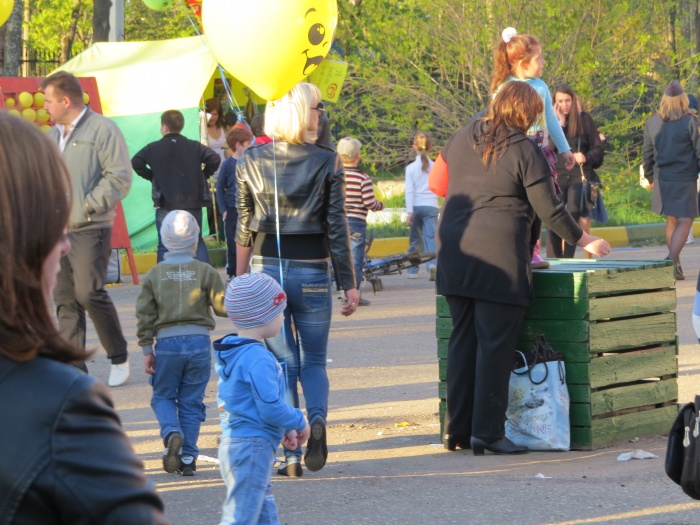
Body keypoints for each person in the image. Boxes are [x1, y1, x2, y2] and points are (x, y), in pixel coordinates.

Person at [0, 112, 170, 524]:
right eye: (51, 220)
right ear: (21, 234)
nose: (61, 244)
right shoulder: (59, 406)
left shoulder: (101, 132)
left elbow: (120, 176)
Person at [428, 81, 610, 456]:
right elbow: (549, 208)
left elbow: (438, 183)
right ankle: (488, 434)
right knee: (495, 346)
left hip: (455, 252)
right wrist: (585, 240)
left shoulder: (463, 135)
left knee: (463, 341)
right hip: (498, 258)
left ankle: (456, 430)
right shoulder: (524, 149)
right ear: (525, 115)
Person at [235, 81, 358, 477]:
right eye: (318, 107)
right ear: (303, 112)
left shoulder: (249, 159)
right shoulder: (329, 160)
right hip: (312, 270)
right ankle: (317, 420)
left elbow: (243, 228)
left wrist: (238, 278)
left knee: (281, 363)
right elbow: (337, 228)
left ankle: (289, 454)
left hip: (265, 267)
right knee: (315, 361)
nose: (321, 114)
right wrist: (349, 282)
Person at [41, 71, 133, 387]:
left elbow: (119, 177)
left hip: (90, 226)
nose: (45, 108)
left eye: (49, 101)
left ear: (66, 100)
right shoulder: (53, 135)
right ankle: (73, 369)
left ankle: (118, 355)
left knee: (88, 292)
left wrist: (86, 206)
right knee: (64, 297)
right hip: (55, 229)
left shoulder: (103, 129)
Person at [214, 273, 311, 524]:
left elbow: (252, 402)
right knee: (241, 518)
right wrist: (298, 419)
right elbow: (269, 407)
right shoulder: (257, 358)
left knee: (263, 512)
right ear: (263, 316)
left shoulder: (237, 351)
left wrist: (285, 427)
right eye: (280, 311)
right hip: (251, 447)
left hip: (241, 444)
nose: (282, 317)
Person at [136, 210, 227, 477]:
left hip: (166, 344)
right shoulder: (206, 271)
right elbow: (222, 307)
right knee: (191, 400)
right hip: (199, 342)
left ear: (163, 240)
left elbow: (145, 315)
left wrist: (145, 348)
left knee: (163, 395)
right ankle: (188, 458)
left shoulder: (154, 275)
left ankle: (170, 432)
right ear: (196, 241)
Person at [491, 27, 576, 269]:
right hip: (512, 154)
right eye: (539, 58)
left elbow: (550, 119)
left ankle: (532, 250)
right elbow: (495, 123)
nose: (543, 62)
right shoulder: (503, 89)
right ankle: (513, 249)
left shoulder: (541, 87)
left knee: (539, 205)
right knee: (518, 204)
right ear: (521, 63)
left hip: (540, 154)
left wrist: (565, 149)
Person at [131, 109, 221, 263]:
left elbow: (136, 162)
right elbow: (215, 158)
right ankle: (205, 281)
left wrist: (153, 176)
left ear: (165, 127)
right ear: (181, 126)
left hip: (165, 203)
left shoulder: (153, 148)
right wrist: (203, 175)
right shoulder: (194, 146)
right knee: (197, 241)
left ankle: (164, 282)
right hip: (193, 201)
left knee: (164, 244)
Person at [643, 80, 700, 280]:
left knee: (671, 219)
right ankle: (670, 260)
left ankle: (675, 264)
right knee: (685, 220)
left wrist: (650, 177)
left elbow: (647, 155)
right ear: (683, 99)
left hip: (662, 178)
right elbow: (699, 152)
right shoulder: (691, 121)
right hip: (685, 178)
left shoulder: (652, 121)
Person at [548, 83, 605, 258]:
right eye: (560, 101)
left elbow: (598, 149)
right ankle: (555, 259)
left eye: (567, 101)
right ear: (554, 103)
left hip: (577, 175)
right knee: (555, 217)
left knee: (572, 214)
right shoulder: (550, 121)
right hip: (557, 174)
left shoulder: (584, 119)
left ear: (573, 101)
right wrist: (560, 124)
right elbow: (547, 149)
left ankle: (568, 259)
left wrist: (586, 157)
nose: (564, 105)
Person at [337, 137, 385, 306]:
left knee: (339, 257)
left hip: (337, 223)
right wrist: (380, 205)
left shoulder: (335, 176)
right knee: (355, 260)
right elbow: (369, 202)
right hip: (356, 223)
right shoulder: (363, 178)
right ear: (357, 156)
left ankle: (342, 292)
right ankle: (355, 294)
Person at [216, 127, 253, 281]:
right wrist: (223, 208)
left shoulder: (251, 162)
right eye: (248, 143)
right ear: (238, 145)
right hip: (232, 209)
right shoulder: (227, 164)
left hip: (248, 209)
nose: (251, 145)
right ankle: (233, 272)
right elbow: (219, 186)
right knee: (232, 242)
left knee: (248, 242)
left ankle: (249, 272)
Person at [405, 131, 439, 281]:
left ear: (414, 147)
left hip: (416, 207)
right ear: (431, 148)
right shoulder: (435, 166)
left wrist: (409, 211)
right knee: (430, 238)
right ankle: (432, 264)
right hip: (431, 206)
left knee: (414, 240)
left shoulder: (411, 168)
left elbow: (409, 190)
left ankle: (413, 270)